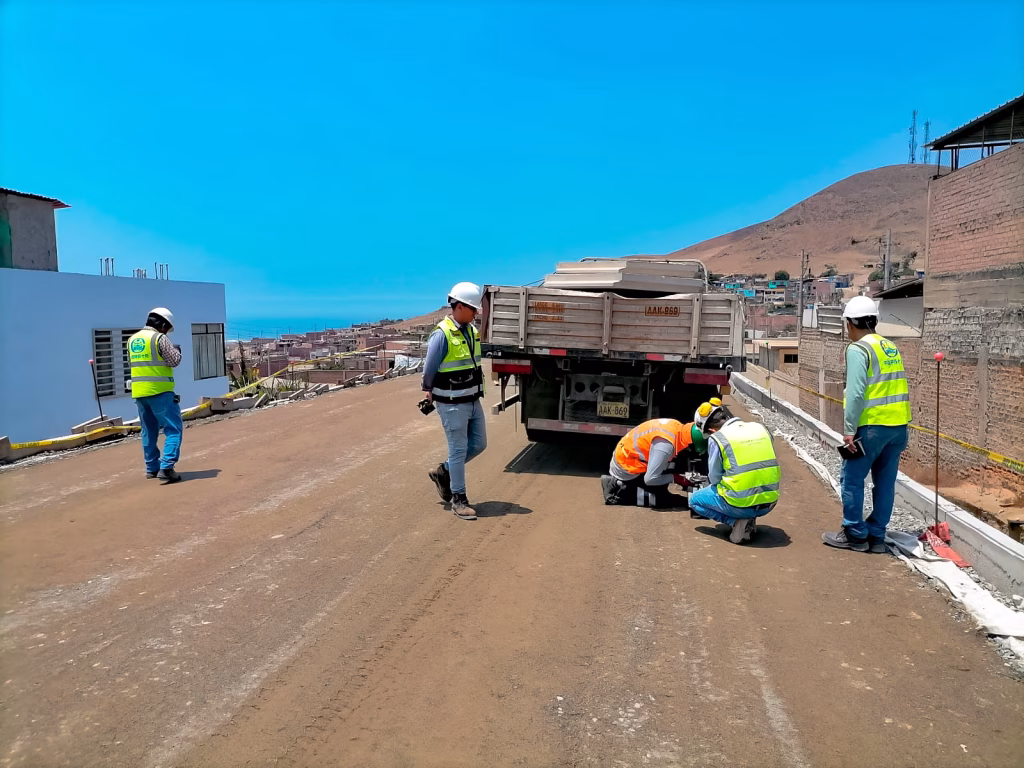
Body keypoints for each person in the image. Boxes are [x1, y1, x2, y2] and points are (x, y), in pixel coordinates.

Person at [823, 295, 911, 554]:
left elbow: (856, 392)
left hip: (871, 427)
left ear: (850, 323)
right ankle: (877, 537)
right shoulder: (889, 347)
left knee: (851, 479)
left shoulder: (858, 348)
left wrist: (849, 430)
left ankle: (854, 533)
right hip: (898, 427)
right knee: (884, 483)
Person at [422, 282, 488, 520]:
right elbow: (429, 368)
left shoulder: (471, 331)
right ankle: (458, 500)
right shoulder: (442, 334)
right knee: (458, 450)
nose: (475, 313)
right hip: (451, 403)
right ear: (459, 306)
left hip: (472, 399)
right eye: (472, 308)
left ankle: (444, 471)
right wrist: (427, 389)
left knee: (479, 444)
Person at [688, 407, 780, 543]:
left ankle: (735, 522)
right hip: (769, 502)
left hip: (740, 504)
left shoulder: (718, 438)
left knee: (694, 501)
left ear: (711, 429)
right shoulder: (760, 428)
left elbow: (714, 478)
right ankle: (748, 518)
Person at [127, 307, 183, 483]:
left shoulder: (132, 339)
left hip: (139, 393)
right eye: (167, 328)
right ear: (163, 324)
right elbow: (174, 361)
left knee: (148, 431)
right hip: (160, 392)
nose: (167, 331)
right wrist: (177, 351)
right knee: (173, 429)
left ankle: (152, 468)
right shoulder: (160, 338)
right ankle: (167, 468)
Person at [601, 418, 707, 508]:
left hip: (628, 456)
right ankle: (615, 487)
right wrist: (676, 478)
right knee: (660, 500)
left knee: (670, 463)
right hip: (626, 467)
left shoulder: (677, 428)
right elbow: (650, 479)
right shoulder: (665, 446)